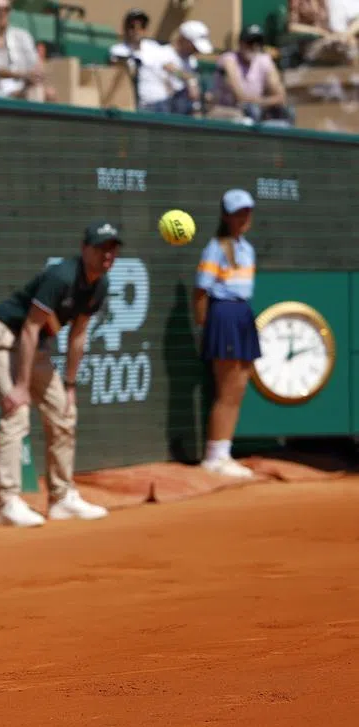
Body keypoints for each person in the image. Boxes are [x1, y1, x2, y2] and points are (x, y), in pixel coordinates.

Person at [0, 222, 117, 528]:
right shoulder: (61, 276)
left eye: (112, 249)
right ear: (85, 250)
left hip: (31, 346)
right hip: (2, 336)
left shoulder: (101, 284)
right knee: (16, 411)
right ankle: (7, 503)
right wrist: (22, 386)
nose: (108, 255)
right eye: (101, 248)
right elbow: (29, 328)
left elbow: (78, 335)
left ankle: (61, 498)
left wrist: (69, 385)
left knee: (64, 413)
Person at [193, 189, 260, 479]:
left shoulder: (247, 248)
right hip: (224, 315)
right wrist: (205, 327)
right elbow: (200, 291)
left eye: (246, 211)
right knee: (228, 389)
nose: (243, 217)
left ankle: (224, 453)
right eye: (237, 212)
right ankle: (214, 457)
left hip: (243, 313)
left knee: (239, 387)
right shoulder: (216, 248)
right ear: (225, 216)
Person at [209, 25, 292, 126]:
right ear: (240, 43)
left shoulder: (264, 60)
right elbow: (240, 97)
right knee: (245, 120)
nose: (254, 46)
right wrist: (263, 102)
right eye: (250, 42)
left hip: (254, 113)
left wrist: (258, 103)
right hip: (225, 111)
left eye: (258, 43)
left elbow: (280, 97)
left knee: (282, 122)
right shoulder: (229, 59)